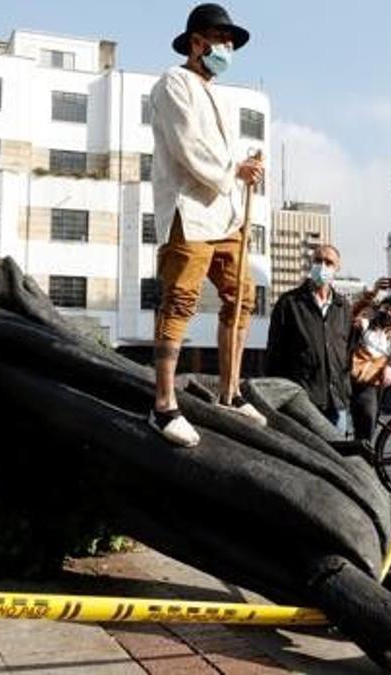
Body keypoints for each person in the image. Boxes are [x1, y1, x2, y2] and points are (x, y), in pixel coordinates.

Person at [148, 3, 266, 446]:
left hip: (226, 214)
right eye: (221, 40)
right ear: (197, 42)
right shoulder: (172, 83)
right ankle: (163, 405)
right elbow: (187, 146)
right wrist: (235, 170)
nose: (227, 48)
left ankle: (229, 392)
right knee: (179, 300)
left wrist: (242, 172)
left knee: (242, 296)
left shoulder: (217, 92)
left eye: (231, 42)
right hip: (189, 211)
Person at [265, 244, 352, 432]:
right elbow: (274, 353)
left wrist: (346, 388)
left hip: (336, 400)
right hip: (302, 400)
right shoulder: (289, 303)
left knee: (338, 456)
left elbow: (348, 351)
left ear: (337, 268)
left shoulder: (342, 307)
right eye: (318, 261)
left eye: (329, 262)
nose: (323, 266)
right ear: (310, 264)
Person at [349, 290, 391, 442]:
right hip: (357, 379)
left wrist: (390, 366)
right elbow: (352, 317)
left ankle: (364, 456)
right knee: (362, 420)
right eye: (385, 308)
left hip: (374, 383)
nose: (388, 313)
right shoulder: (365, 325)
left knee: (369, 421)